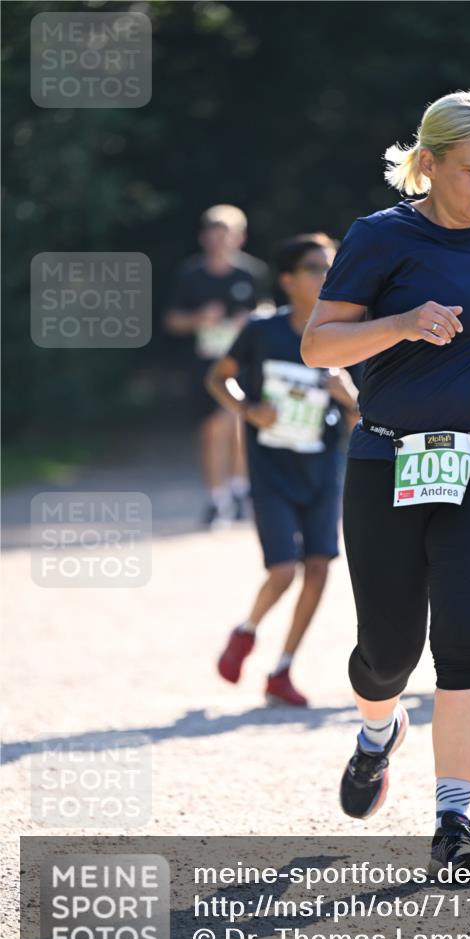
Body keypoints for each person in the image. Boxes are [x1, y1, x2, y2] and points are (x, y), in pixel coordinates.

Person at [301, 91, 470, 882]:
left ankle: (454, 824)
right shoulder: (380, 237)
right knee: (388, 652)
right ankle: (377, 732)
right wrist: (401, 322)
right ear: (429, 164)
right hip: (387, 459)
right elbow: (318, 346)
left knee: (465, 640)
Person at [206, 234, 360, 707]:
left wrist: (347, 396)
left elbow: (362, 414)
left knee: (318, 567)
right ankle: (246, 631)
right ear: (288, 280)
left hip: (323, 468)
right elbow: (218, 378)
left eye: (331, 267)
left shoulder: (348, 333)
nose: (326, 276)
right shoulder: (262, 330)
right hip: (271, 469)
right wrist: (249, 410)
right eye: (315, 268)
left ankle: (283, 669)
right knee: (282, 570)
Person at [164, 205, 270, 527]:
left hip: (243, 362)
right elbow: (172, 320)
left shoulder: (252, 273)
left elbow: (269, 311)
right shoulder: (190, 274)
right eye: (214, 234)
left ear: (240, 237)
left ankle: (239, 490)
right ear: (203, 237)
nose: (220, 242)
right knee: (211, 430)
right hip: (206, 364)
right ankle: (217, 498)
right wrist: (199, 318)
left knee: (237, 422)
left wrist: (251, 320)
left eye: (226, 235)